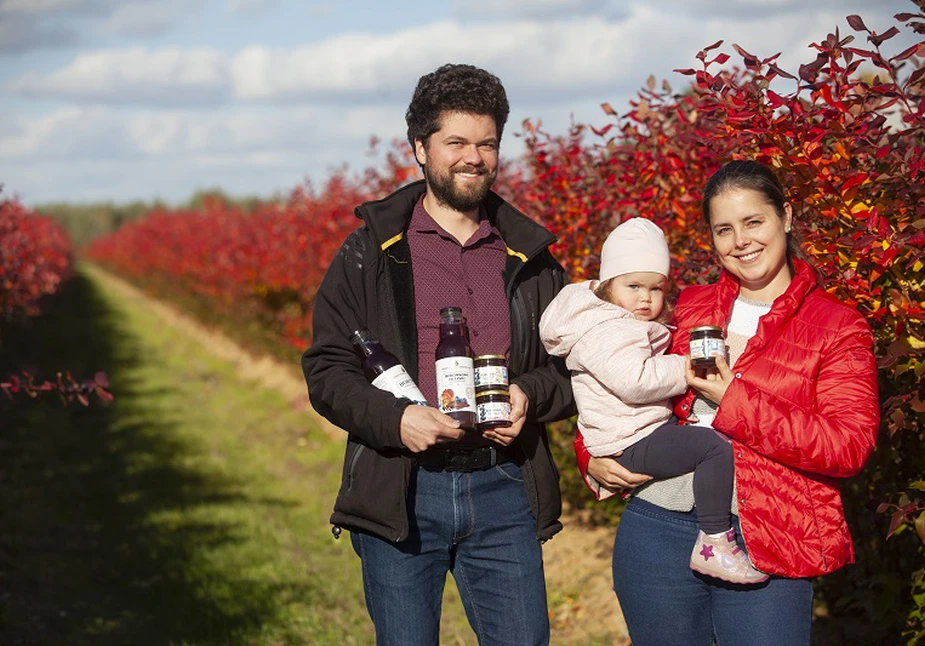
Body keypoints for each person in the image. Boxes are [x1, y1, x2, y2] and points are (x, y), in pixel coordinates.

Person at [301, 63, 573, 645]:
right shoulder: (370, 251)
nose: (472, 157)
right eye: (456, 142)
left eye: (486, 143)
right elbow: (326, 369)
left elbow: (573, 366)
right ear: (420, 149)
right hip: (403, 489)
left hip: (504, 486)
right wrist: (396, 419)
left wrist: (530, 395)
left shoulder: (530, 257)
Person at [575, 160, 879, 644]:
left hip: (768, 534)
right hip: (657, 524)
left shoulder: (837, 326)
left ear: (787, 216)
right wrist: (590, 454)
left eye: (753, 222)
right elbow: (613, 375)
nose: (741, 241)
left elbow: (846, 446)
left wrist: (732, 398)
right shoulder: (689, 305)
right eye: (724, 229)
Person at [539, 217, 766, 586]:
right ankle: (715, 541)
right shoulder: (607, 330)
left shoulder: (615, 320)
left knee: (706, 447)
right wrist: (685, 366)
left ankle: (713, 539)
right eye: (634, 286)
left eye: (656, 288)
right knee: (713, 449)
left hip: (630, 434)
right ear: (608, 285)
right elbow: (635, 380)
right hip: (629, 440)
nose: (646, 298)